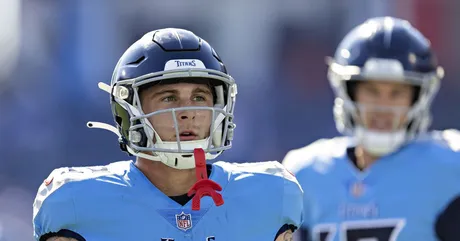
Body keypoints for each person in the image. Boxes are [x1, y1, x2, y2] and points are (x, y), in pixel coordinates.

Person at [33, 28, 303, 241]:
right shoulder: (74, 202)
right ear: (129, 110)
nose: (188, 112)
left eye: (199, 97)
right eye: (168, 97)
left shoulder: (270, 195)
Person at [282, 17, 460, 241]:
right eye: (371, 91)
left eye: (396, 93)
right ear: (349, 91)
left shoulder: (450, 168)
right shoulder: (306, 173)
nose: (383, 107)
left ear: (418, 98)